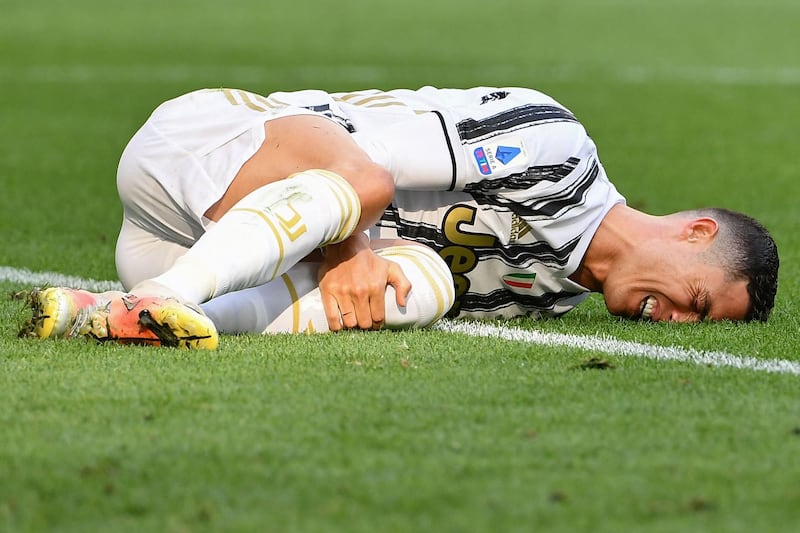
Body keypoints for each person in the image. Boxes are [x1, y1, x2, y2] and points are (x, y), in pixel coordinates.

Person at [18, 86, 779, 350]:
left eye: (694, 328)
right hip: (206, 146)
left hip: (183, 247)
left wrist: (360, 262)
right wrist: (350, 247)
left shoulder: (557, 294)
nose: (676, 320)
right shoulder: (558, 151)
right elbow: (352, 156)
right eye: (699, 302)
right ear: (696, 232)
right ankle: (176, 296)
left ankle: (127, 309)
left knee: (426, 285)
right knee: (367, 185)